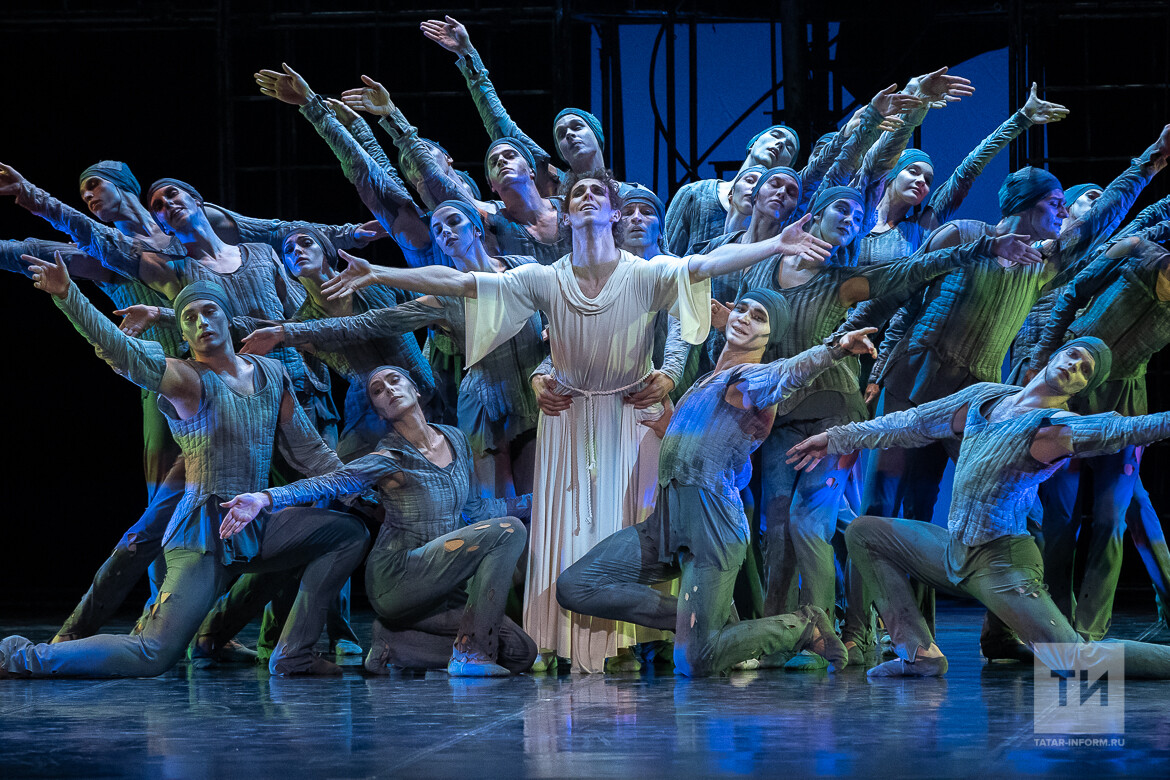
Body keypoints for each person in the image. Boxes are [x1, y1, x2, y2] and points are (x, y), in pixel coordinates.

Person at [317, 168, 833, 672]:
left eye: (596, 192)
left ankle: (649, 641)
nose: (586, 196)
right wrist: (380, 272)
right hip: (567, 419)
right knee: (570, 536)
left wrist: (774, 244)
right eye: (577, 193)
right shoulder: (546, 278)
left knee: (633, 527)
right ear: (565, 214)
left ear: (613, 213)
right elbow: (462, 282)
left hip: (631, 416)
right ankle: (562, 642)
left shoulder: (644, 273)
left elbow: (705, 265)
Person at [0, 265, 367, 678]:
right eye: (189, 318)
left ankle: (293, 652)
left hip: (253, 523)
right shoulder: (186, 379)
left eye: (209, 311)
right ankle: (19, 658)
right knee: (153, 654)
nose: (201, 322)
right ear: (183, 333)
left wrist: (362, 491)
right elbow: (121, 350)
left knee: (348, 533)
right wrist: (69, 295)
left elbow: (311, 452)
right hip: (201, 534)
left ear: (227, 318)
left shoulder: (271, 374)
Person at [786, 339, 1170, 679]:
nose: (1074, 366)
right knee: (864, 532)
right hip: (953, 551)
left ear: (1083, 387)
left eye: (1085, 370)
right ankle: (918, 654)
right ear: (1055, 355)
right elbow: (912, 422)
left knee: (1074, 660)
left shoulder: (1056, 426)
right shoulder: (984, 397)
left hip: (1002, 565)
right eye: (1073, 355)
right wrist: (836, 438)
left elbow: (1121, 429)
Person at [556, 289, 880, 676]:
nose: (744, 318)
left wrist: (836, 349)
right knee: (575, 586)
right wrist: (672, 428)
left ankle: (802, 626)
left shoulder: (751, 378)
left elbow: (788, 373)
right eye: (742, 309)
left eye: (759, 317)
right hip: (665, 525)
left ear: (770, 336)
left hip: (712, 530)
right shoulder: (708, 379)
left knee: (694, 661)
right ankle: (698, 623)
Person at [220, 365, 537, 677]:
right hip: (399, 577)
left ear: (415, 389)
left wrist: (537, 502)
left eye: (395, 380)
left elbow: (476, 511)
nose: (389, 390)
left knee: (521, 652)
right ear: (380, 413)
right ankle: (471, 654)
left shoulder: (455, 438)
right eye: (378, 391)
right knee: (509, 529)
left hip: (442, 582)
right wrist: (264, 498)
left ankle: (393, 647)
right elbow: (332, 482)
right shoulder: (390, 458)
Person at [246, 204, 545, 496]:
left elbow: (420, 302)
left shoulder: (520, 267)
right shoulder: (303, 322)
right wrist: (284, 332)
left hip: (439, 395)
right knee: (364, 484)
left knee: (520, 490)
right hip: (384, 411)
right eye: (288, 250)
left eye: (305, 243)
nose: (297, 251)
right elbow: (368, 326)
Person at [1027, 231, 1170, 638]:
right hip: (1071, 391)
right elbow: (1072, 293)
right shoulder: (1136, 250)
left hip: (1124, 404)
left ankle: (1090, 632)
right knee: (1061, 517)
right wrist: (1042, 358)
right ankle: (1057, 625)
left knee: (1111, 517)